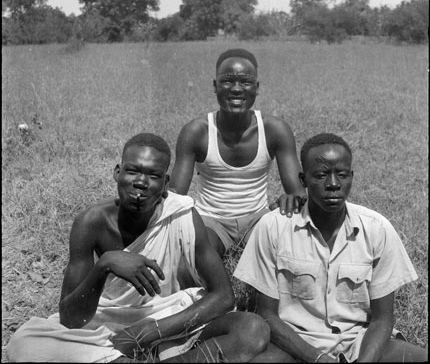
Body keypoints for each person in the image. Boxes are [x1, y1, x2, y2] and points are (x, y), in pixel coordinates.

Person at [7, 133, 270, 363]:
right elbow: (72, 320)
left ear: (166, 184)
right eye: (133, 171)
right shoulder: (91, 222)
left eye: (153, 175)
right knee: (24, 342)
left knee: (252, 329)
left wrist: (146, 333)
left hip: (165, 318)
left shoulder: (181, 214)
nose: (141, 183)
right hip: (104, 326)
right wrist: (104, 265)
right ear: (117, 172)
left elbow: (224, 297)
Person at [234, 133, 427, 363]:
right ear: (303, 180)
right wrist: (317, 358)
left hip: (359, 342)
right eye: (321, 175)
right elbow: (266, 315)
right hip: (295, 345)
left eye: (342, 175)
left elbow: (382, 320)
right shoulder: (273, 226)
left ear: (352, 177)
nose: (333, 184)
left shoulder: (377, 229)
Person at [170, 48, 306, 257]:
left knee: (287, 249)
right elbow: (175, 196)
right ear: (215, 86)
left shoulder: (274, 129)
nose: (236, 89)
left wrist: (289, 201)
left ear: (256, 88)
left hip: (258, 218)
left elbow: (297, 192)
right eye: (227, 81)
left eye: (245, 82)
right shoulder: (196, 132)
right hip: (210, 220)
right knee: (198, 254)